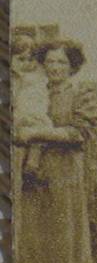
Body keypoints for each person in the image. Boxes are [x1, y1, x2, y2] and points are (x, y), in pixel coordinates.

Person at [16, 38, 97, 263]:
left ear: (72, 66)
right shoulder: (31, 91)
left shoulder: (80, 93)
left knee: (64, 237)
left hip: (64, 172)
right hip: (32, 174)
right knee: (35, 239)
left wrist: (40, 134)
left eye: (61, 62)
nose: (54, 68)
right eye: (50, 61)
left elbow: (81, 134)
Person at [11, 34, 52, 185]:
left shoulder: (38, 76)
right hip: (18, 116)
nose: (26, 64)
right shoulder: (12, 79)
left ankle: (32, 165)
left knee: (41, 132)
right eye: (21, 59)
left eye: (30, 59)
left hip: (36, 115)